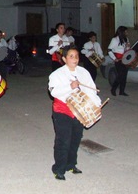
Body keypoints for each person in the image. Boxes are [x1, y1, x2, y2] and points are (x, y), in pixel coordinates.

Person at [48, 46, 101, 180]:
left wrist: (96, 104)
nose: (75, 59)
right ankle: (58, 168)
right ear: (64, 59)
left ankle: (71, 164)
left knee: (75, 139)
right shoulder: (56, 74)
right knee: (63, 141)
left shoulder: (83, 72)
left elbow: (92, 89)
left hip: (79, 111)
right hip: (62, 110)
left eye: (76, 56)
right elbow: (53, 92)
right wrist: (69, 87)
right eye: (71, 56)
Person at [107, 26, 130, 96]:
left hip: (125, 58)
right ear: (122, 32)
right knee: (120, 75)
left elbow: (127, 50)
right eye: (125, 32)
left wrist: (127, 46)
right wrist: (114, 58)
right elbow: (109, 50)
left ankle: (122, 91)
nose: (127, 33)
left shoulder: (126, 39)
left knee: (124, 75)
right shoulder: (115, 40)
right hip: (118, 59)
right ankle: (113, 89)